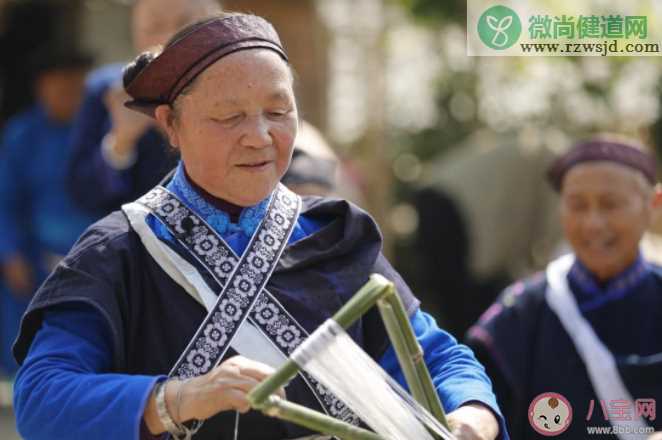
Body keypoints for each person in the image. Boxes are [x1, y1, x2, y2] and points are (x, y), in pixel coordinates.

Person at [13, 13, 508, 440]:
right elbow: (40, 397)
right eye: (229, 117)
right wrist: (177, 398)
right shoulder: (120, 250)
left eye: (278, 112)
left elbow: (432, 355)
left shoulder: (331, 236)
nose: (260, 137)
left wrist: (471, 414)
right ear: (170, 125)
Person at [466, 137, 662, 439]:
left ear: (653, 206)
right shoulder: (520, 314)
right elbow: (475, 399)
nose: (593, 223)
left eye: (610, 204)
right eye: (577, 205)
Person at [66, 0, 220, 218]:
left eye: (185, 23)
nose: (170, 37)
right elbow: (83, 195)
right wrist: (120, 142)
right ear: (135, 33)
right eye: (155, 27)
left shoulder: (244, 89)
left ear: (216, 24)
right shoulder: (109, 92)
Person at [0, 47, 96, 377]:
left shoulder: (102, 133)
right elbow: (5, 200)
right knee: (26, 339)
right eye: (60, 84)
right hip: (35, 259)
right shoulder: (21, 135)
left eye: (76, 84)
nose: (69, 92)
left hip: (94, 255)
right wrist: (10, 253)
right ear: (42, 86)